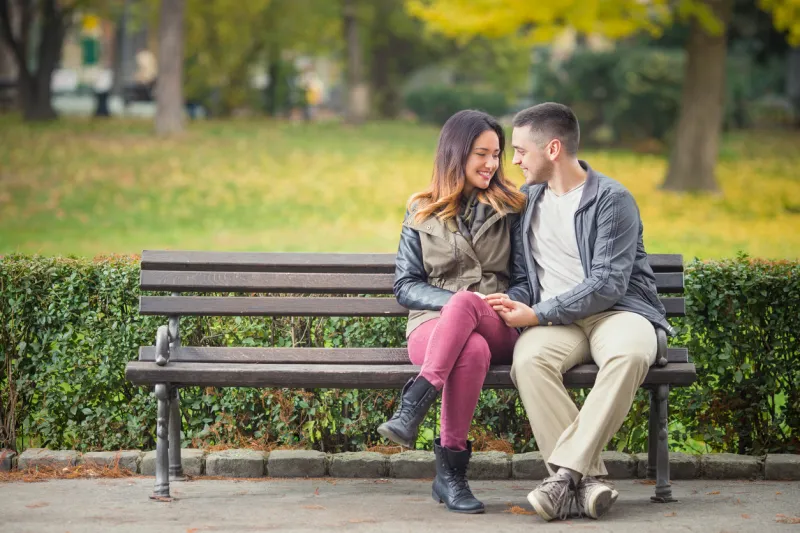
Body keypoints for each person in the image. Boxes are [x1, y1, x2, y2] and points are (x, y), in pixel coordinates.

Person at [486, 102, 670, 521]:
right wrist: (520, 303)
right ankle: (587, 481)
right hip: (555, 321)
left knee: (630, 354)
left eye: (520, 151)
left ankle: (564, 474)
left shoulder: (612, 199)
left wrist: (536, 314)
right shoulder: (526, 201)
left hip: (618, 312)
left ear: (552, 149)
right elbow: (516, 268)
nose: (512, 161)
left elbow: (607, 284)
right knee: (529, 361)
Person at [379, 109, 530, 514]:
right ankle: (451, 478)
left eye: (497, 154)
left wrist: (504, 301)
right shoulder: (421, 211)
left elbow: (525, 278)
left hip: (498, 320)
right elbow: (405, 285)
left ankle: (417, 399)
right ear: (455, 153)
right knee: (471, 347)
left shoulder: (512, 207)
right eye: (482, 153)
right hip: (433, 328)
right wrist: (457, 304)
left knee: (469, 306)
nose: (492, 164)